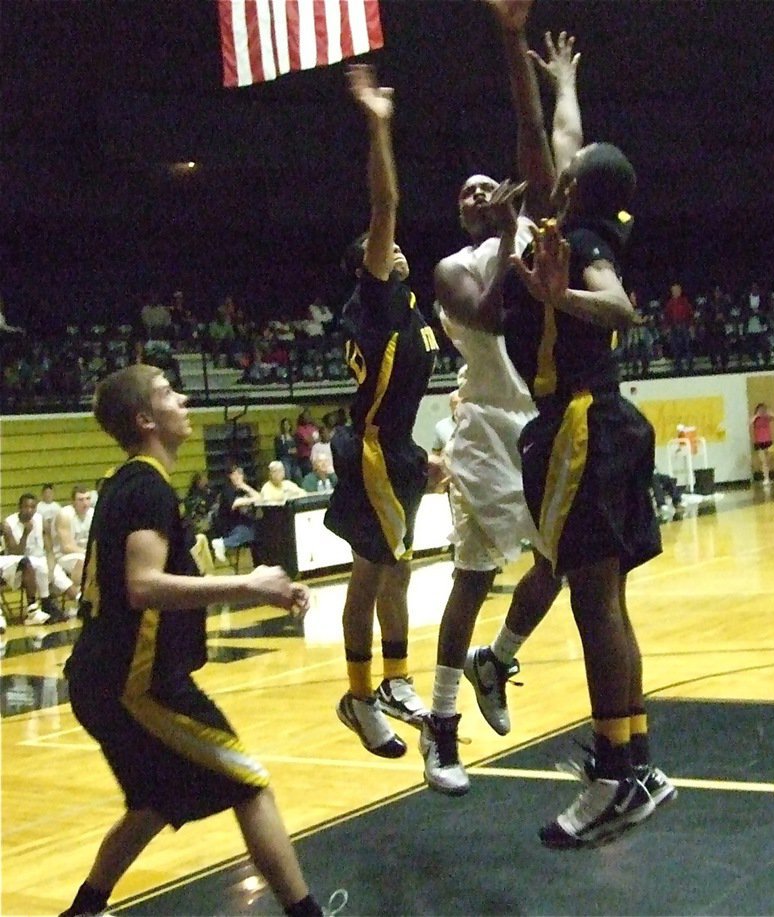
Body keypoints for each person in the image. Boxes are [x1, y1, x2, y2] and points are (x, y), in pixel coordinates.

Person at [495, 0, 673, 849]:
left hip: (579, 422)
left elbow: (623, 307)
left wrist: (507, 44)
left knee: (595, 603)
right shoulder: (588, 206)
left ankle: (616, 771)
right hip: (600, 420)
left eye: (564, 171)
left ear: (572, 188)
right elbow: (564, 141)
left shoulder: (576, 232)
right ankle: (631, 757)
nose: (549, 170)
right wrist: (566, 81)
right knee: (609, 601)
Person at [61, 364, 328, 917]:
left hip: (101, 679)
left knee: (152, 804)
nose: (181, 398)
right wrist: (251, 583)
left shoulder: (126, 482)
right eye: (166, 393)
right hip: (133, 686)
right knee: (249, 783)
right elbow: (142, 586)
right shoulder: (146, 487)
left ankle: (80, 912)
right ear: (145, 419)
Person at [421, 16, 578, 796]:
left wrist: (526, 62)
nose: (480, 190)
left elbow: (530, 130)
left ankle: (494, 663)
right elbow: (486, 311)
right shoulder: (452, 267)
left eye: (490, 183)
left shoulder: (528, 228)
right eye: (467, 190)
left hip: (537, 421)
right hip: (486, 428)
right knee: (491, 575)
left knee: (539, 566)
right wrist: (513, 232)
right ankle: (447, 724)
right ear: (464, 215)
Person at [324, 63, 437, 759]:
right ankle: (360, 696)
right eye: (380, 247)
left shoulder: (411, 308)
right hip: (371, 451)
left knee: (397, 572)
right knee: (370, 574)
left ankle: (393, 679)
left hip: (399, 451)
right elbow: (386, 203)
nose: (395, 247)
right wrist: (378, 125)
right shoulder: (374, 299)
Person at [4, 493, 70, 623]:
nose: (29, 510)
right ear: (19, 507)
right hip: (18, 566)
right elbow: (15, 554)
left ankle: (79, 602)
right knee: (39, 566)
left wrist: (51, 567)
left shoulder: (41, 520)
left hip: (41, 562)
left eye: (32, 507)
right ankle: (46, 603)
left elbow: (49, 549)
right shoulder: (8, 524)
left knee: (57, 575)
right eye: (26, 507)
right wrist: (25, 533)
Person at [211, 465, 260, 566]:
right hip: (229, 526)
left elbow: (260, 497)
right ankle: (223, 543)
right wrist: (251, 500)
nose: (237, 476)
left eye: (240, 473)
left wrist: (244, 486)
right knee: (249, 533)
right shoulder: (227, 490)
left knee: (259, 530)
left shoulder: (243, 489)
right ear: (230, 476)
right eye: (234, 474)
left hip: (243, 523)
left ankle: (258, 563)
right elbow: (236, 503)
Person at [54, 485, 94, 599]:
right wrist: (88, 553)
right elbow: (66, 547)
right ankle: (78, 598)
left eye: (87, 499)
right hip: (63, 555)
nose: (85, 503)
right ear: (73, 502)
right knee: (82, 561)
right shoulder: (65, 515)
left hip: (84, 552)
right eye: (81, 500)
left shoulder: (93, 513)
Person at [749, 402, 774, 485]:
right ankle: (766, 478)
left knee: (769, 458)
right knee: (763, 461)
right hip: (759, 442)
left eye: (763, 409)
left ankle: (766, 475)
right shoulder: (755, 419)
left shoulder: (767, 418)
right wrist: (756, 415)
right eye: (760, 409)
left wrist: (768, 413)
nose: (761, 411)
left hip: (768, 441)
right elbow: (749, 423)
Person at [274, 418, 301, 483]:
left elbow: (298, 447)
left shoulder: (294, 436)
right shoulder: (279, 438)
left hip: (294, 460)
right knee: (287, 474)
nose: (286, 426)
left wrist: (296, 450)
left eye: (287, 424)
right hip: (285, 459)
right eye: (284, 425)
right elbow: (278, 450)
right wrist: (288, 451)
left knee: (298, 475)